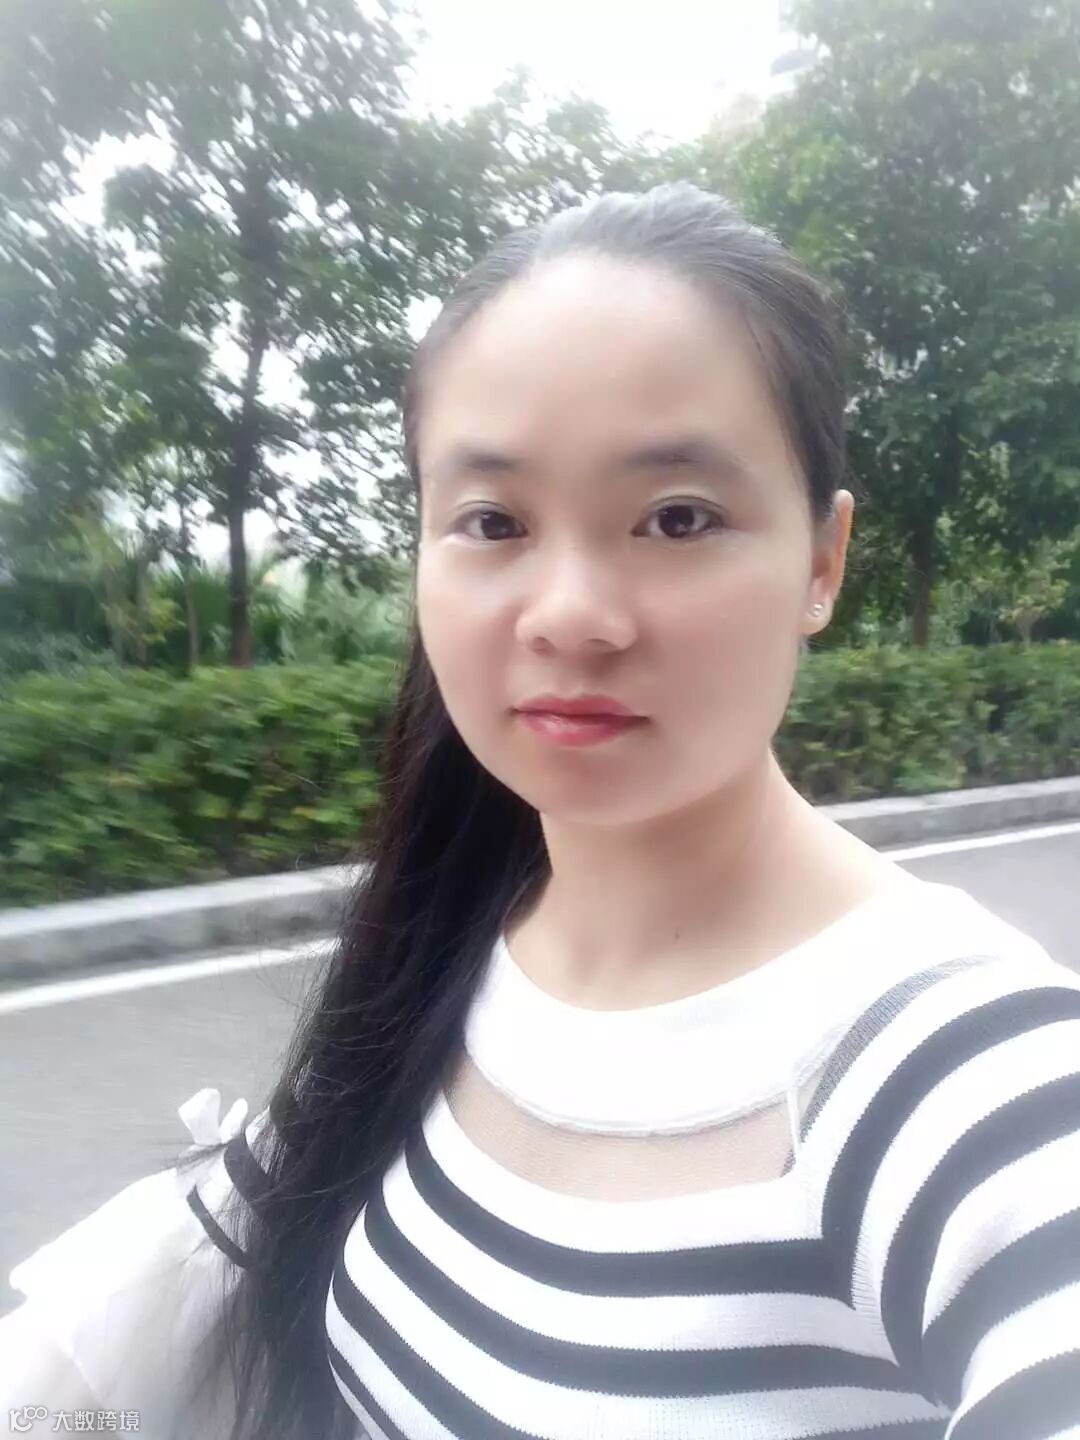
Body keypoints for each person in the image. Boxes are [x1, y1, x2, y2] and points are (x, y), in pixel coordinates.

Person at [2, 182, 1079, 1440]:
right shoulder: (449, 942)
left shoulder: (972, 1082)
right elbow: (145, 1311)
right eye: (493, 521)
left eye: (678, 518)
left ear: (823, 561)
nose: (570, 615)